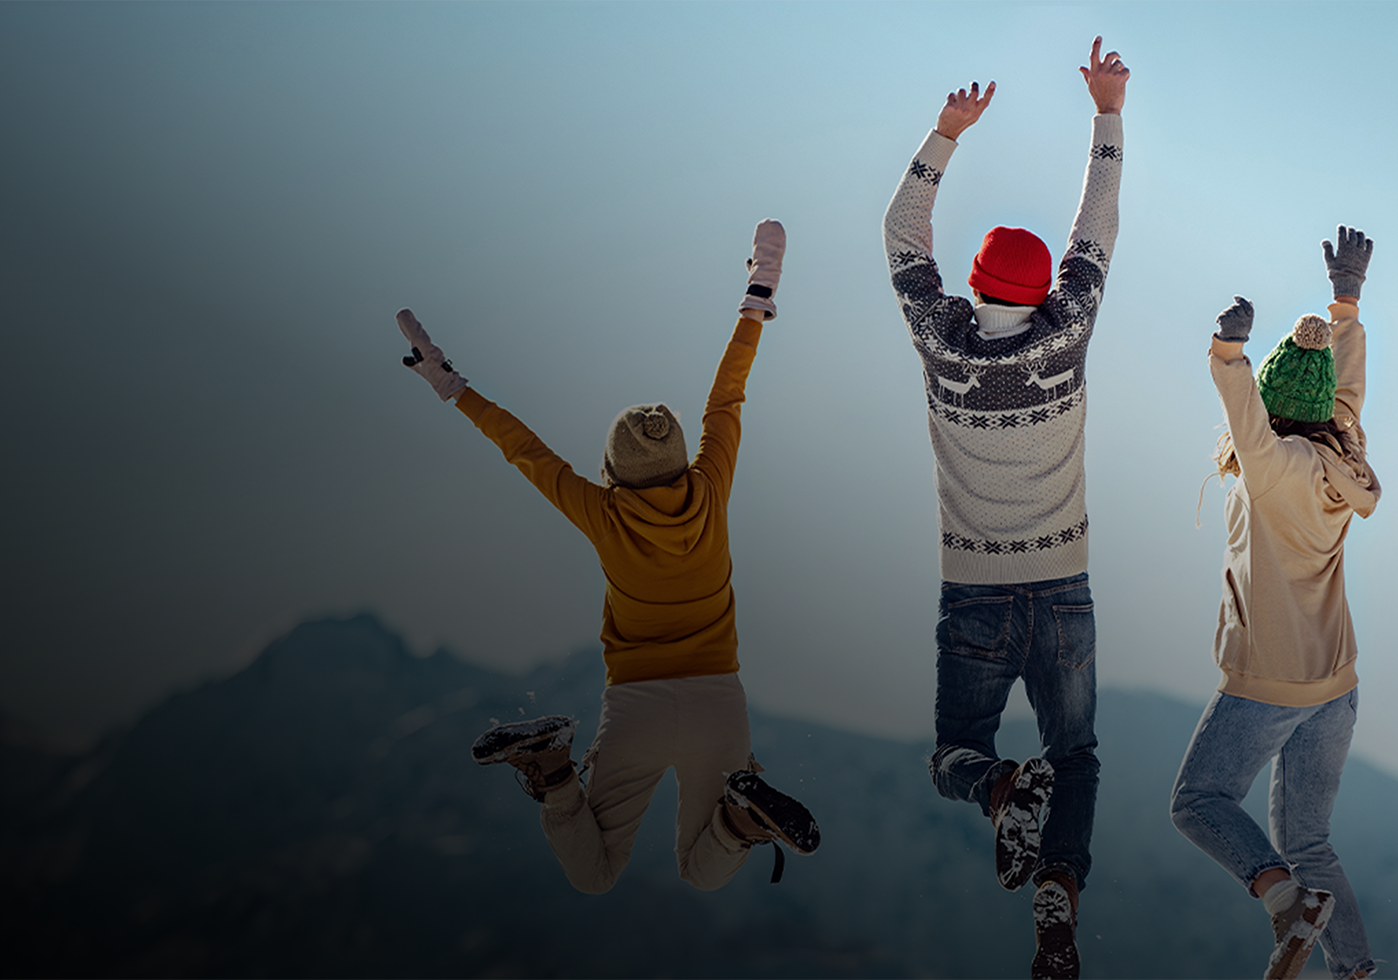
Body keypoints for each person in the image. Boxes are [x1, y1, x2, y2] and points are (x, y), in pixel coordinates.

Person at [407, 219, 819, 894]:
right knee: (702, 873)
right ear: (681, 457)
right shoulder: (709, 487)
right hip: (719, 698)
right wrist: (756, 296)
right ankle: (741, 821)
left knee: (597, 874)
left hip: (637, 706)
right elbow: (727, 397)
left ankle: (552, 770)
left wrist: (450, 384)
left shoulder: (603, 513)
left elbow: (527, 451)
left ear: (614, 471)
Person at [880, 36, 1127, 980]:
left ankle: (997, 788)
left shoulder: (943, 343)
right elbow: (1096, 229)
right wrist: (1107, 112)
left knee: (953, 755)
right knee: (1082, 755)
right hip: (1064, 585)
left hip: (974, 593)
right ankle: (1058, 885)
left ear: (976, 286)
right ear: (1041, 293)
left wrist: (946, 134)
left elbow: (903, 236)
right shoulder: (1064, 339)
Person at [1169, 227, 1384, 980]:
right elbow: (1343, 393)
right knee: (1311, 840)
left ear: (1267, 399)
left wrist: (1228, 354)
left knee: (1197, 802)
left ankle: (1285, 901)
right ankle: (1353, 971)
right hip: (1336, 685)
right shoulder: (1341, 452)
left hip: (1269, 682)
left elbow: (1244, 421)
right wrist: (1346, 304)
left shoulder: (1271, 467)